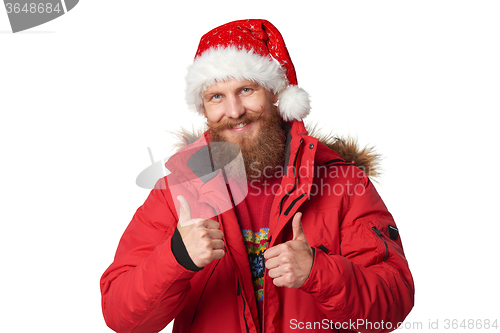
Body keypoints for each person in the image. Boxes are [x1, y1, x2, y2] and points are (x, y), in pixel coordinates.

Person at [100, 19, 414, 333]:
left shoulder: (343, 183)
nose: (234, 111)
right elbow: (122, 317)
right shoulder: (178, 188)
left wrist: (318, 272)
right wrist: (177, 257)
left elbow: (393, 304)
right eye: (216, 97)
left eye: (246, 90)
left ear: (275, 93)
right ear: (204, 108)